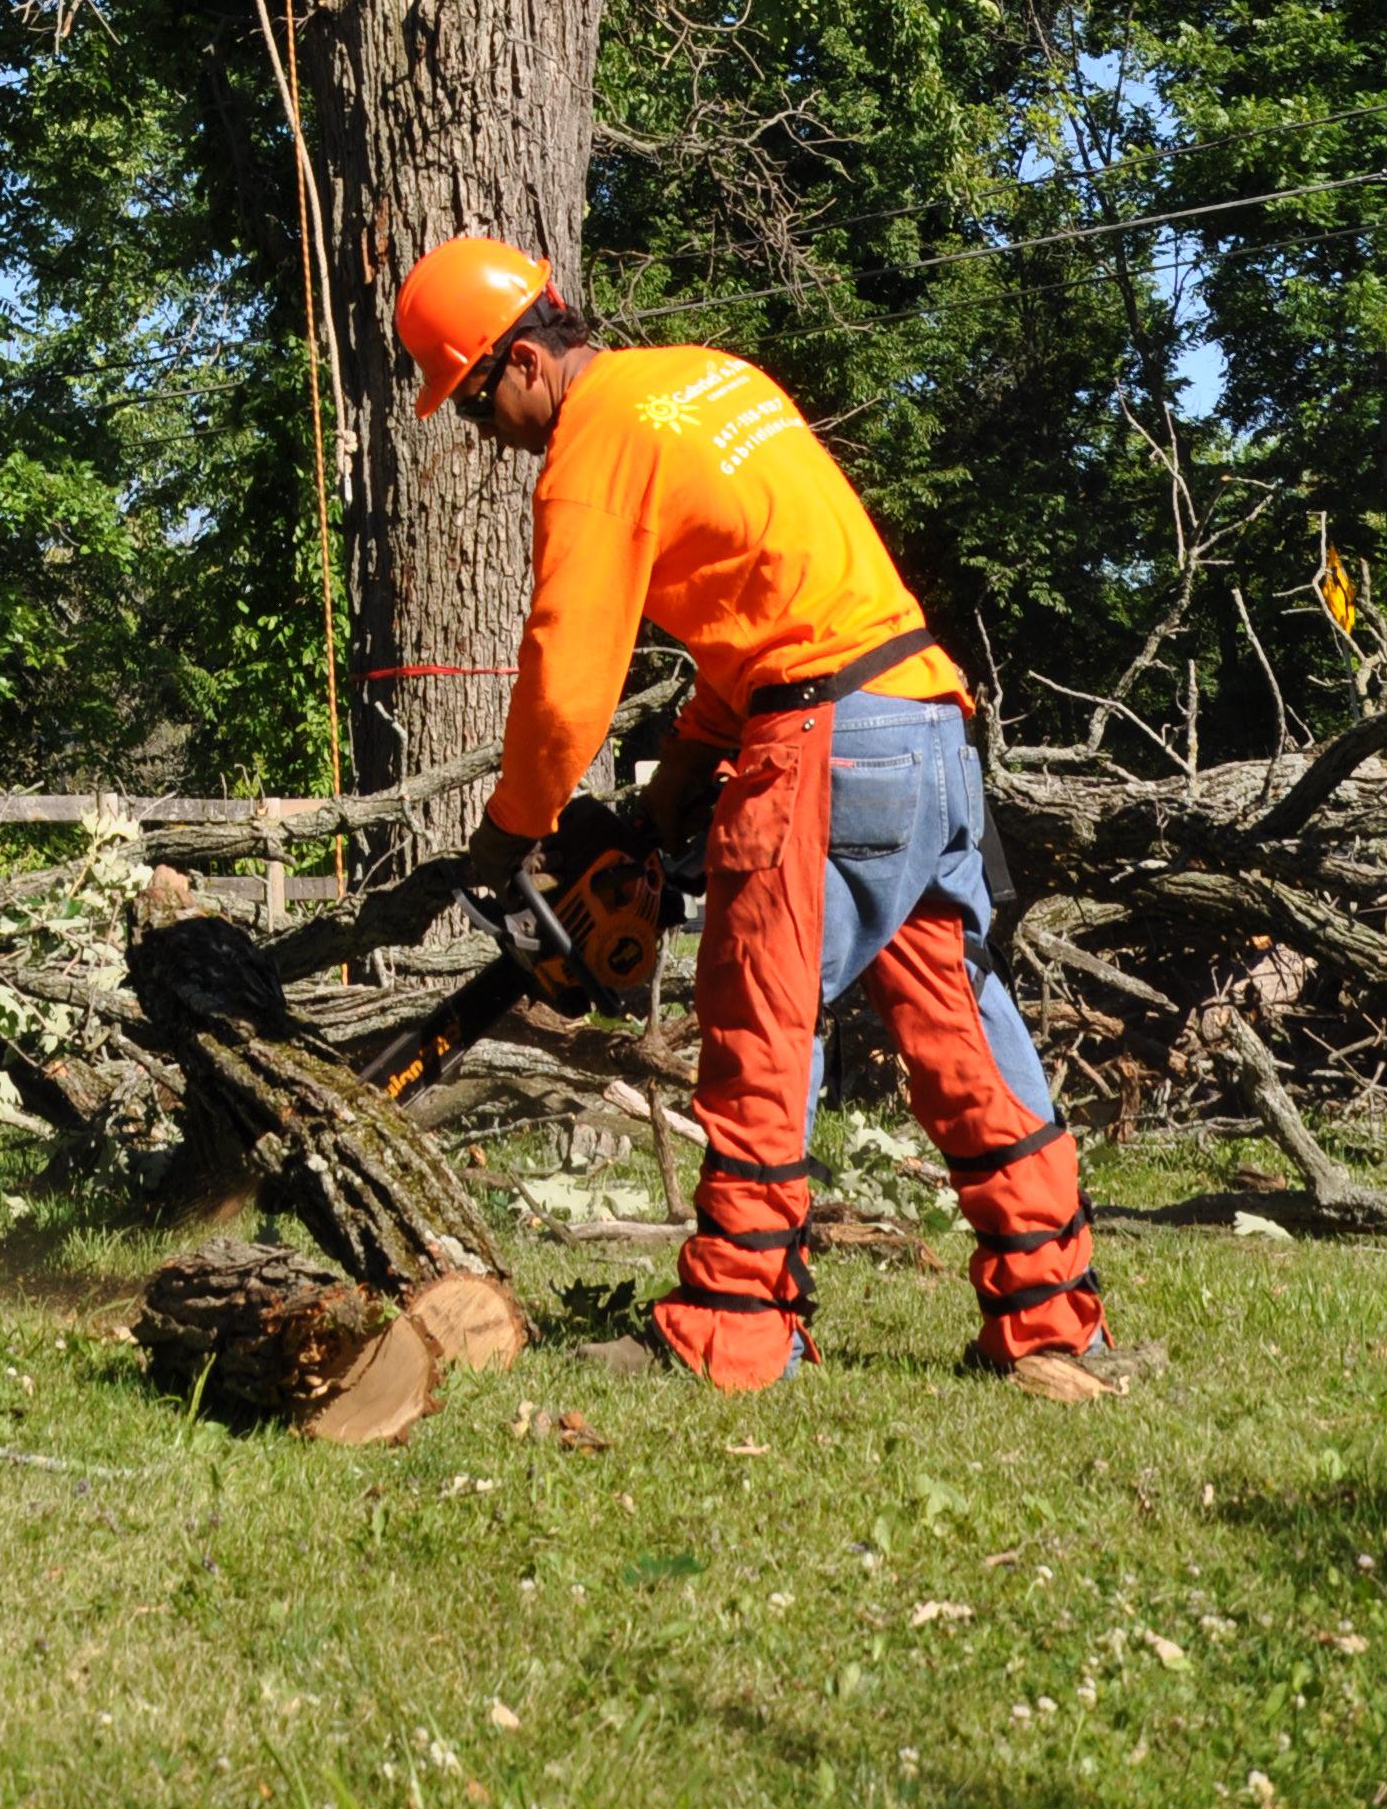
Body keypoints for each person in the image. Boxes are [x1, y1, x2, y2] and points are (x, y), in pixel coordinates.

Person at [395, 234, 1122, 1401]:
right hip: (926, 722)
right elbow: (768, 613)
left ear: (521, 360)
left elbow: (564, 679)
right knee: (961, 1025)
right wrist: (669, 793)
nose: (491, 437)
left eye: (480, 407)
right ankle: (1049, 1316)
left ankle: (736, 1326)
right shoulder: (708, 378)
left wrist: (507, 837)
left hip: (823, 740)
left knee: (758, 1020)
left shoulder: (589, 445)